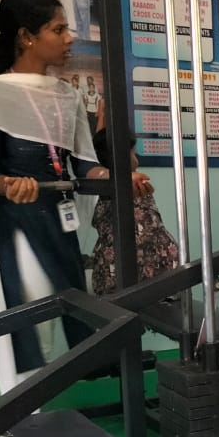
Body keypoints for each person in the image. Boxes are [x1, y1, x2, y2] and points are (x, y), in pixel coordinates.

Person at [0, 0, 140, 437]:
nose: (69, 38)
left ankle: (27, 436)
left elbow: (80, 163)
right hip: (20, 227)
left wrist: (113, 174)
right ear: (26, 37)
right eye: (59, 29)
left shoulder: (64, 95)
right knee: (29, 333)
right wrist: (7, 185)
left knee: (59, 327)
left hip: (60, 226)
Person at [89, 98, 178, 295]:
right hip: (144, 272)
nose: (137, 160)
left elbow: (102, 149)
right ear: (124, 157)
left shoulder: (102, 182)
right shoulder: (134, 185)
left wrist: (103, 115)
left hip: (110, 271)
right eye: (134, 154)